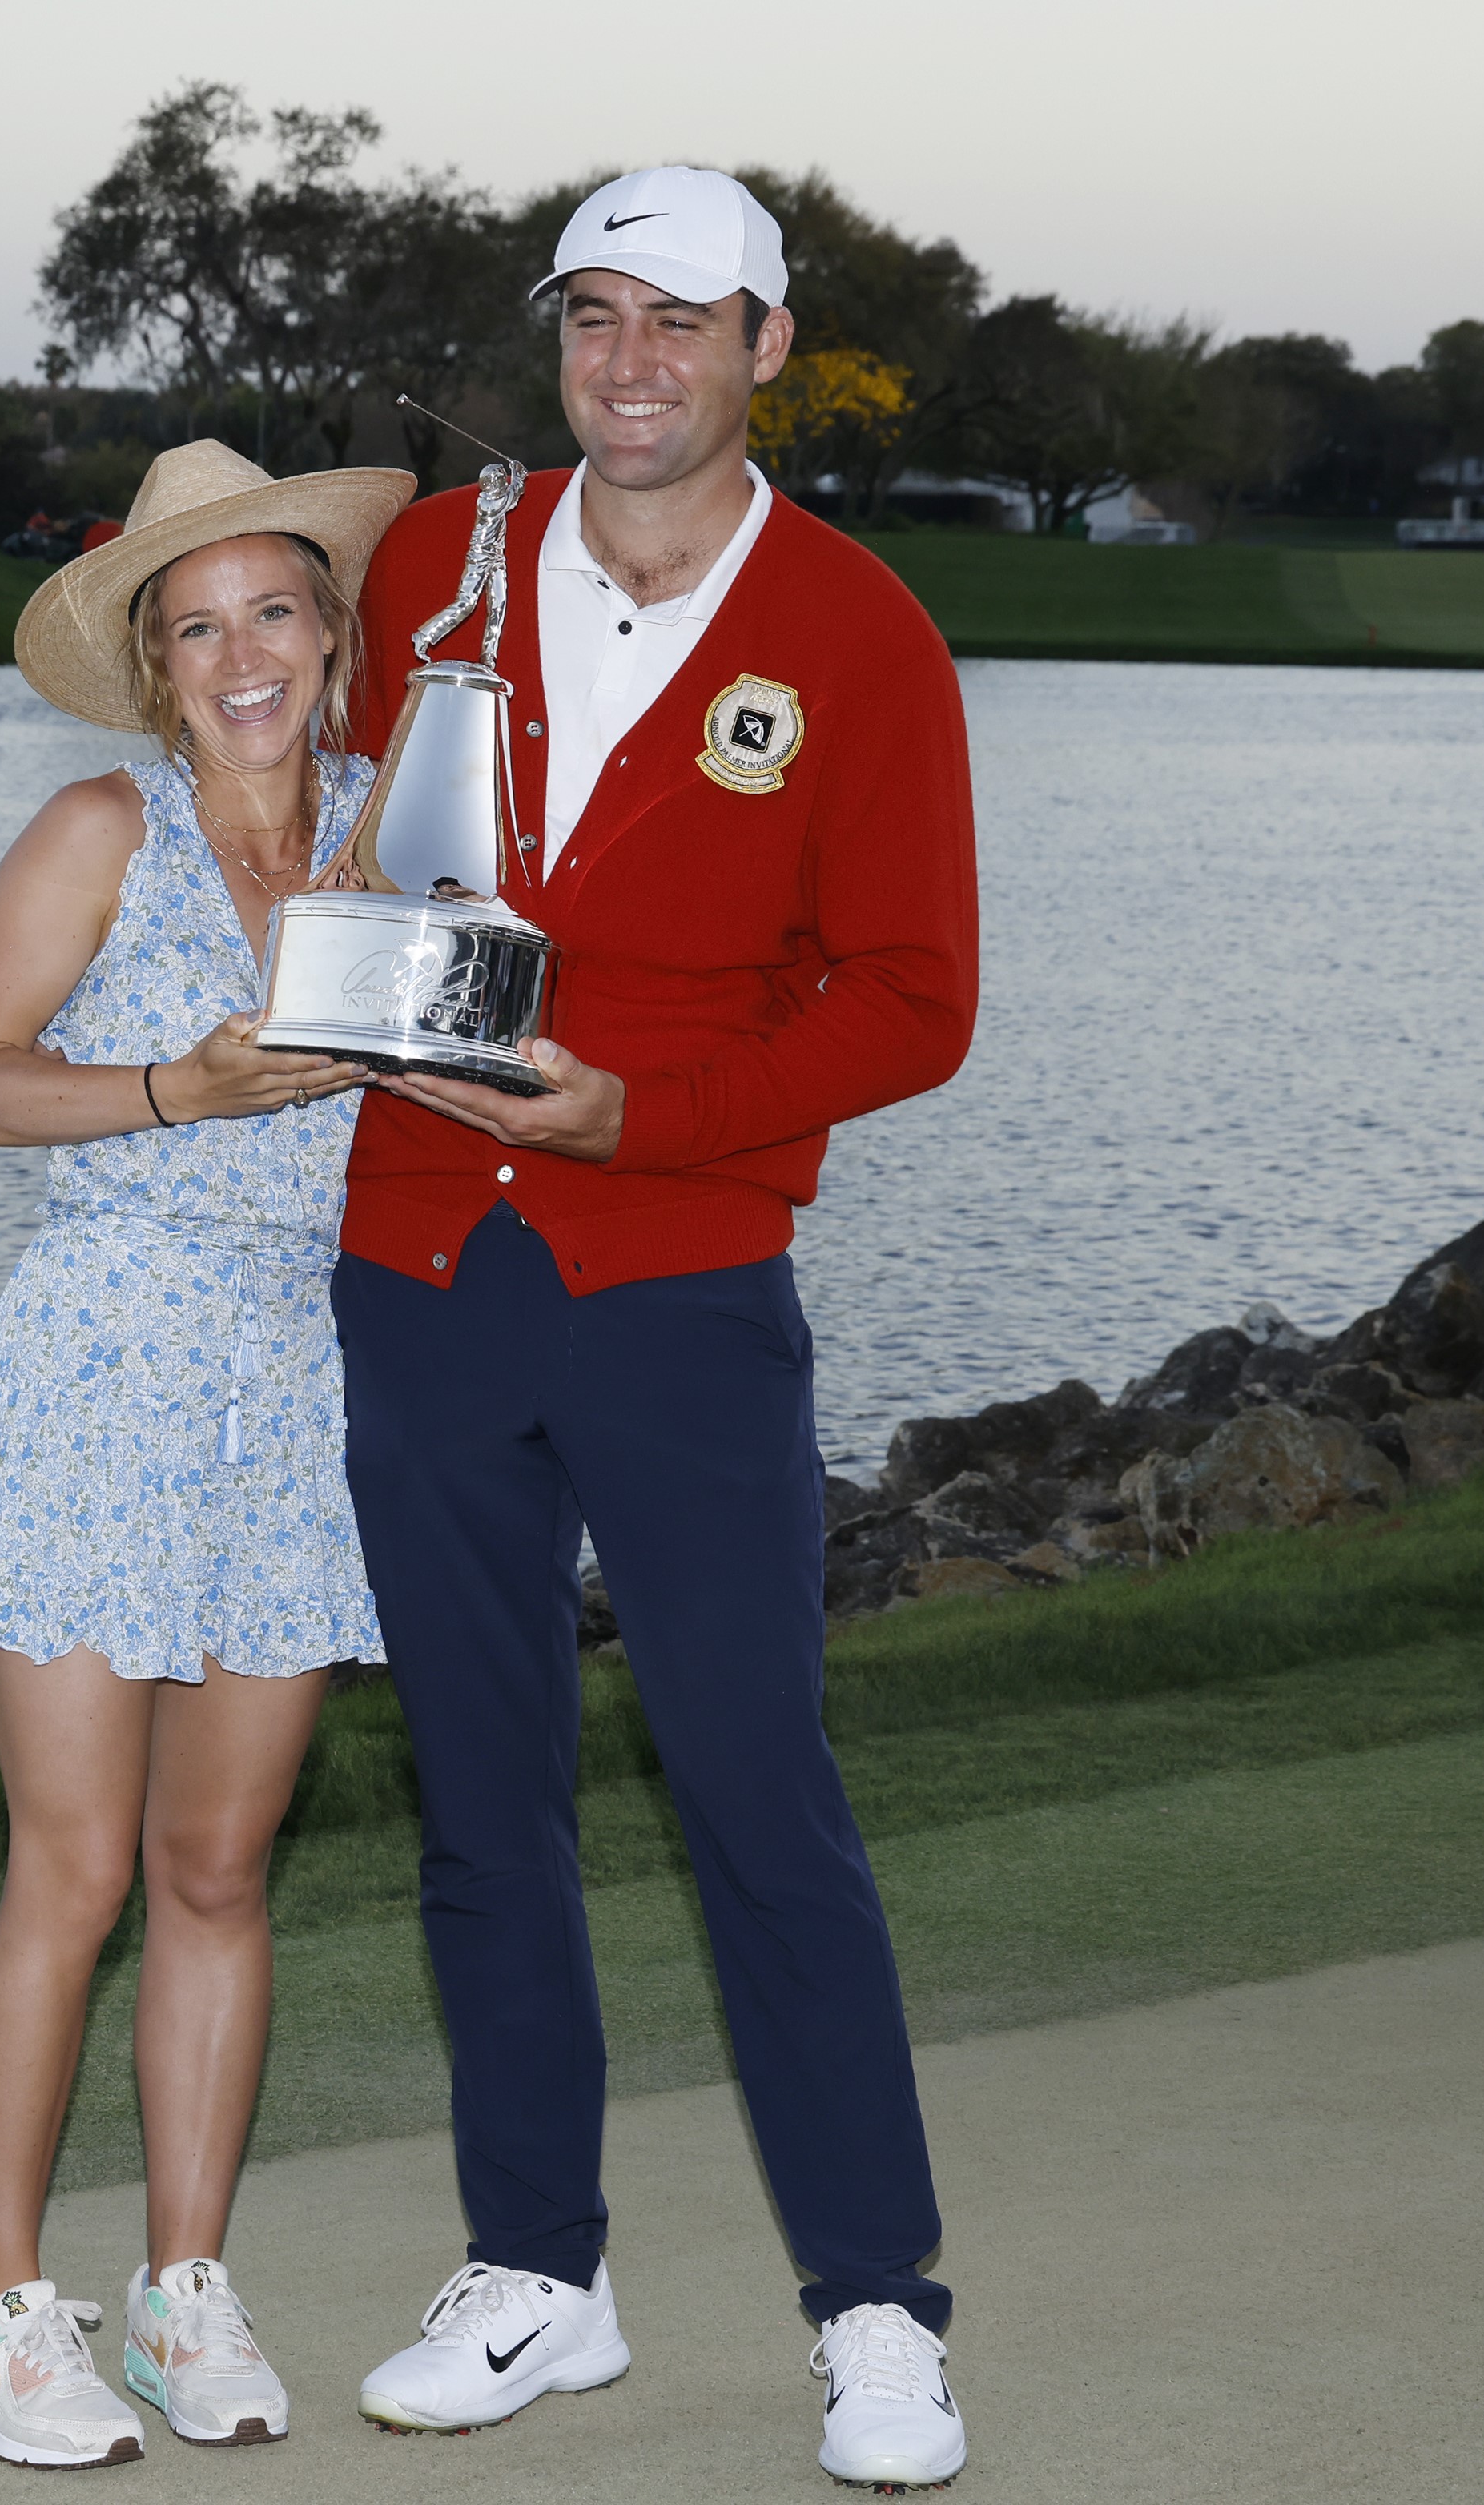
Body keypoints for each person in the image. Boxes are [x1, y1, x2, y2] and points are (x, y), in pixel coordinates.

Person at [328, 167, 981, 2491]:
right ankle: (538, 2273)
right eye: (592, 316)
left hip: (677, 1281)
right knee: (479, 1807)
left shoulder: (857, 632)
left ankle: (876, 2310)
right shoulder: (438, 562)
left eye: (676, 322)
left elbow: (914, 1004)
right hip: (412, 1263)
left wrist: (647, 1111)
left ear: (762, 348)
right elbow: (261, 701)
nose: (628, 361)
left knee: (753, 1801)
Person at [0, 437, 417, 2470]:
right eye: (193, 626)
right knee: (76, 1865)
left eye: (272, 611)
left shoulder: (406, 832)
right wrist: (177, 1087)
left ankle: (179, 2292)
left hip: (297, 1389)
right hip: (97, 1369)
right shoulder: (90, 832)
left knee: (219, 1867)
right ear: (152, 663)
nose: (239, 655)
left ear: (330, 632)